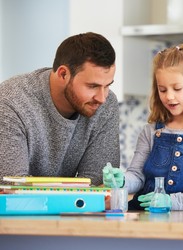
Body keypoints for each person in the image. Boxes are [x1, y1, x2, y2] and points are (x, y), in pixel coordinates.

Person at [109, 44, 183, 211]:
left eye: (177, 88)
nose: (169, 97)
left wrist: (172, 202)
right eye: (162, 89)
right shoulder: (150, 131)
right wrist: (121, 181)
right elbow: (136, 176)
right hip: (144, 216)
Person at [0, 32, 120, 186]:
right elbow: (12, 189)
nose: (102, 98)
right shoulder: (11, 102)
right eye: (92, 86)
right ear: (63, 74)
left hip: (66, 209)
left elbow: (98, 186)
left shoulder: (106, 104)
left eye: (107, 85)